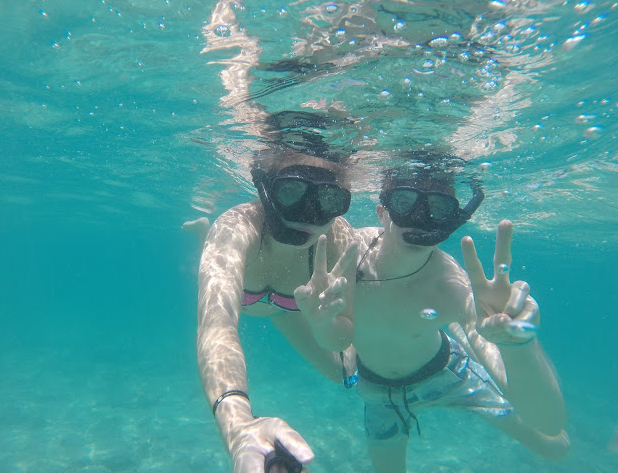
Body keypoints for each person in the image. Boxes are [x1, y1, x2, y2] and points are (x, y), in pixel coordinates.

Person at [296, 157, 570, 472]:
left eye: (438, 207)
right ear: (382, 213)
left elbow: (548, 423)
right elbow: (336, 338)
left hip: (447, 372)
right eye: (404, 201)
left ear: (451, 219)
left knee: (556, 447)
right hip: (378, 393)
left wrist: (518, 345)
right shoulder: (348, 255)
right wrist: (320, 324)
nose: (420, 218)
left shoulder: (449, 285)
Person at [196, 143, 360, 473]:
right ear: (265, 186)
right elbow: (217, 322)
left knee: (343, 373)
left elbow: (343, 337)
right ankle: (201, 233)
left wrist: (328, 328)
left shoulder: (339, 239)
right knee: (214, 245)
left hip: (289, 312)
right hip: (254, 299)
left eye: (329, 199)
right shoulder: (237, 227)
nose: (309, 215)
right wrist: (238, 425)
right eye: (291, 191)